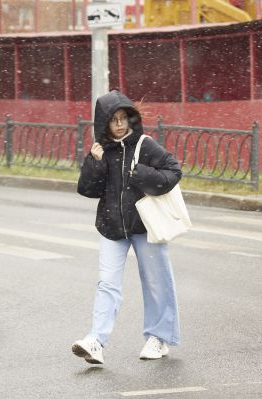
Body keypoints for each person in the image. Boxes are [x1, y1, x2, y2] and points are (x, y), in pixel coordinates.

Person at [72, 90, 181, 365]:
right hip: (112, 227)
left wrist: (143, 175)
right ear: (104, 124)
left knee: (156, 282)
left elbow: (173, 172)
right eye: (113, 120)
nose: (120, 124)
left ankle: (159, 337)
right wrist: (94, 164)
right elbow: (87, 190)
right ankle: (96, 340)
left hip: (146, 227)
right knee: (107, 284)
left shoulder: (145, 145)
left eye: (124, 118)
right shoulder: (103, 152)